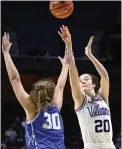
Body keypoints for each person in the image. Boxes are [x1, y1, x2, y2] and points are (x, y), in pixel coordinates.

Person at [2, 32, 72, 149]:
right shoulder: (56, 107)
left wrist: (6, 54)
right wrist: (65, 66)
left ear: (34, 92)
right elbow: (60, 86)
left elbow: (15, 79)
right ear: (51, 95)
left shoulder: (32, 107)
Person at [58, 25, 116, 149]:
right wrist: (69, 45)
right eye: (80, 80)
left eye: (86, 79)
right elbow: (73, 74)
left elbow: (105, 77)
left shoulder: (103, 98)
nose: (82, 81)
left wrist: (90, 55)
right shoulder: (80, 100)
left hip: (110, 146)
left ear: (94, 84)